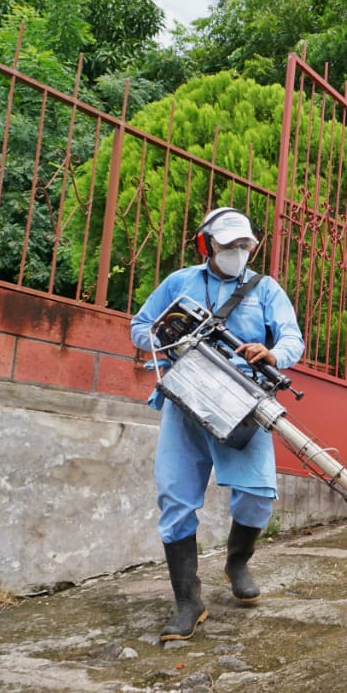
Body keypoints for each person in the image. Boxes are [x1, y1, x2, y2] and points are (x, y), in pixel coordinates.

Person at [130, 207, 304, 641]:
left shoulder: (266, 289)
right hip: (186, 394)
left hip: (242, 399)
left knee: (258, 493)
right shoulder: (180, 282)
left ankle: (237, 560)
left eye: (245, 245)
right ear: (207, 244)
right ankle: (188, 601)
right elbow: (140, 327)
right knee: (175, 498)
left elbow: (291, 338)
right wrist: (170, 337)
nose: (237, 252)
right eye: (228, 245)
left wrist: (272, 355)